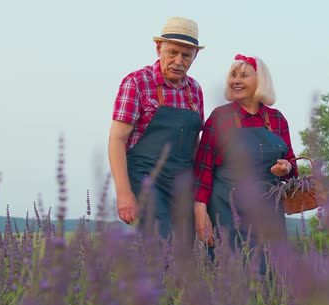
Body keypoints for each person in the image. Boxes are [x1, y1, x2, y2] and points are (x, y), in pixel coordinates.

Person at [108, 17, 205, 240]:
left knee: (183, 253)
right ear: (159, 47)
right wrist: (124, 194)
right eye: (172, 52)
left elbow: (194, 144)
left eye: (186, 55)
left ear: (195, 56)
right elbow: (117, 140)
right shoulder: (137, 83)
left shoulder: (195, 91)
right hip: (145, 182)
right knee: (158, 249)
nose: (178, 61)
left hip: (181, 186)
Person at [193, 54, 298, 251]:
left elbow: (292, 164)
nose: (236, 81)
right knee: (229, 273)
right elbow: (203, 168)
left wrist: (287, 167)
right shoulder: (219, 117)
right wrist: (200, 210)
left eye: (243, 75)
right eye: (233, 75)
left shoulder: (277, 120)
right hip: (225, 209)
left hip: (268, 213)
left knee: (270, 274)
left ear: (260, 81)